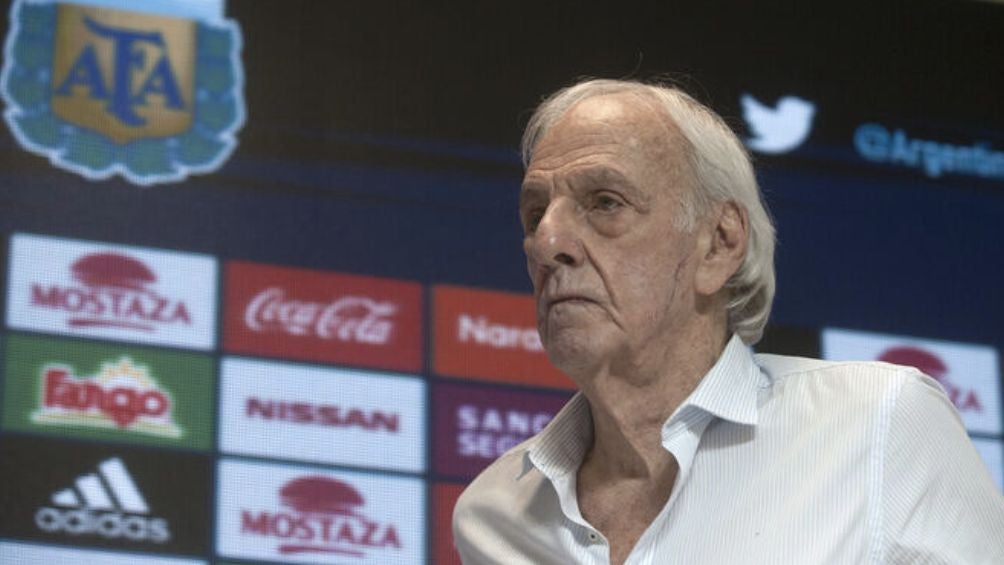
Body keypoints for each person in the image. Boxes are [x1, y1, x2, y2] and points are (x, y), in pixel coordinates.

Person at [451, 78, 1004, 564]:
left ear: (719, 243)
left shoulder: (878, 424)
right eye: (535, 214)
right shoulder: (495, 514)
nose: (547, 241)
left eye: (605, 202)